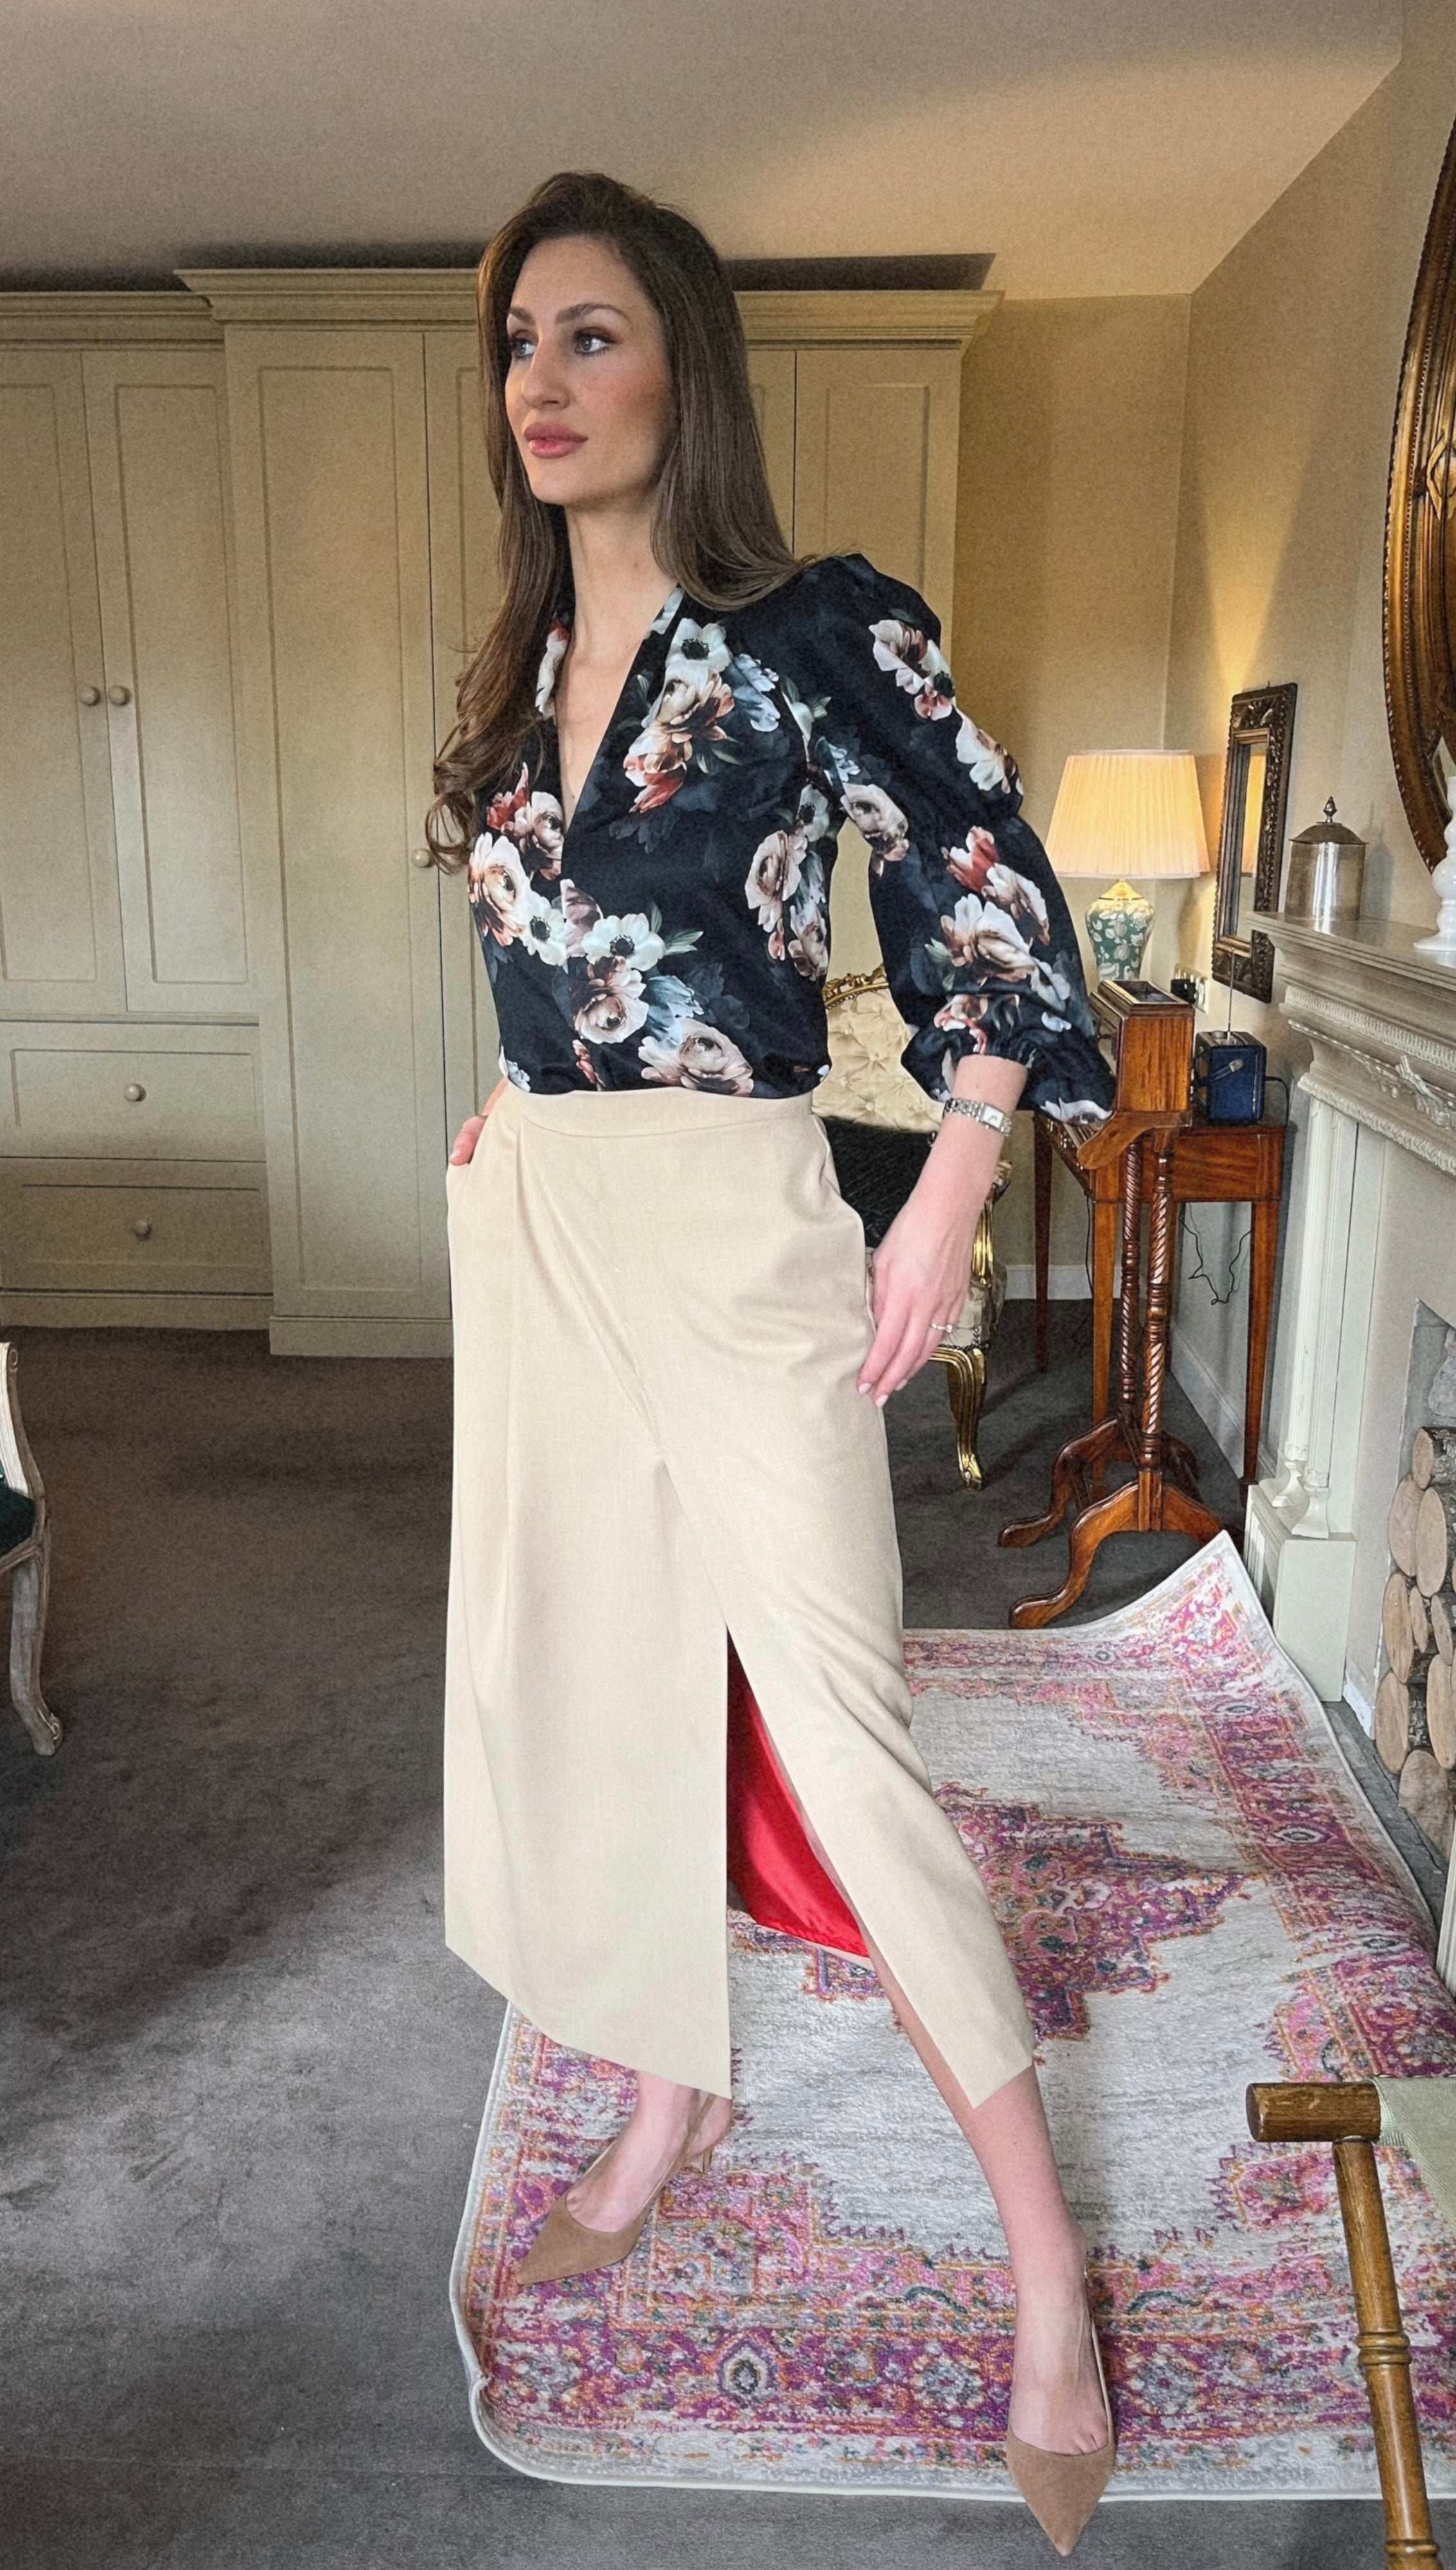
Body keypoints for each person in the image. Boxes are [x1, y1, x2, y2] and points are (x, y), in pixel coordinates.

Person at [426, 168, 1120, 2558]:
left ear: (682, 368)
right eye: (518, 340)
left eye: (590, 334)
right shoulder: (520, 667)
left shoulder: (817, 627)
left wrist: (948, 1182)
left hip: (741, 1232)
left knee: (841, 1734)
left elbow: (985, 888)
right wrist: (507, 1112)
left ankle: (1043, 2274)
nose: (540, 380)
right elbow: (553, 956)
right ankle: (670, 2093)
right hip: (544, 1220)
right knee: (597, 1681)